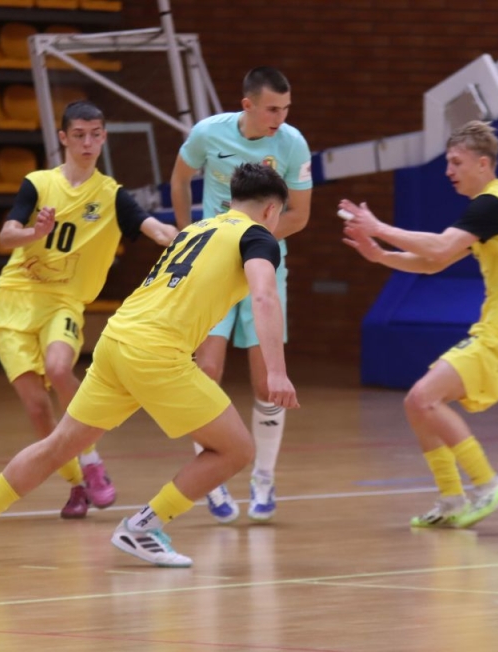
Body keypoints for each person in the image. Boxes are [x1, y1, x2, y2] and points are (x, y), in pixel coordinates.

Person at [0, 163, 299, 567]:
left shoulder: (197, 230)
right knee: (236, 449)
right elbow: (265, 297)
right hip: (155, 353)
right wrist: (276, 371)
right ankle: (143, 527)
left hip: (117, 340)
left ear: (231, 200)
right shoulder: (257, 238)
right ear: (271, 211)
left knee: (57, 446)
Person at [340, 120, 498, 528]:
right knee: (418, 404)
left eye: (455, 162)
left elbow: (441, 245)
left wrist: (379, 228)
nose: (449, 171)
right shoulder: (493, 206)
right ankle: (452, 499)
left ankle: (489, 484)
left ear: (483, 164)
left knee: (425, 398)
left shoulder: (492, 202)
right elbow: (436, 261)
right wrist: (380, 256)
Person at [0, 100, 179, 519]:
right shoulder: (37, 184)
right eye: (79, 135)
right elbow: (6, 236)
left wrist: (182, 239)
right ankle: (76, 485)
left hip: (63, 302)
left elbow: (154, 227)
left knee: (60, 368)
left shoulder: (111, 194)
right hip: (13, 302)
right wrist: (33, 232)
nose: (88, 142)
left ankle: (92, 462)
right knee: (38, 409)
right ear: (63, 138)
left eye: (95, 134)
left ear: (104, 136)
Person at [170, 66, 312, 523]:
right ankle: (212, 476)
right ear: (247, 105)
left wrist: (253, 241)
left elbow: (300, 215)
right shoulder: (207, 134)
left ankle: (264, 478)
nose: (280, 117)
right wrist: (185, 233)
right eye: (272, 108)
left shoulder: (292, 143)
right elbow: (179, 179)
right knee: (205, 369)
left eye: (286, 108)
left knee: (265, 381)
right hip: (213, 265)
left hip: (262, 266)